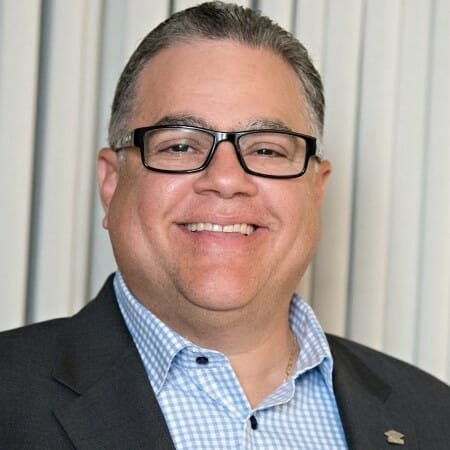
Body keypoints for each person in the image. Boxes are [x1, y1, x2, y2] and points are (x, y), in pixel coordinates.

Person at [1, 2, 449, 449]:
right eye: (180, 146)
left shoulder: (433, 417)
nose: (227, 180)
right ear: (112, 183)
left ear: (316, 191)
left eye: (267, 150)